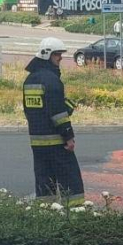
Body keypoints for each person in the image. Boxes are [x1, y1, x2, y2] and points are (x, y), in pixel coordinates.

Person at [23, 37, 86, 203]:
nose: (60, 58)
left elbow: (33, 110)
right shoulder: (52, 80)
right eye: (57, 54)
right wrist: (68, 137)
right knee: (71, 181)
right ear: (47, 55)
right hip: (56, 142)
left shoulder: (29, 80)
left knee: (44, 182)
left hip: (37, 143)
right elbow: (58, 114)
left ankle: (46, 215)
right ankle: (75, 214)